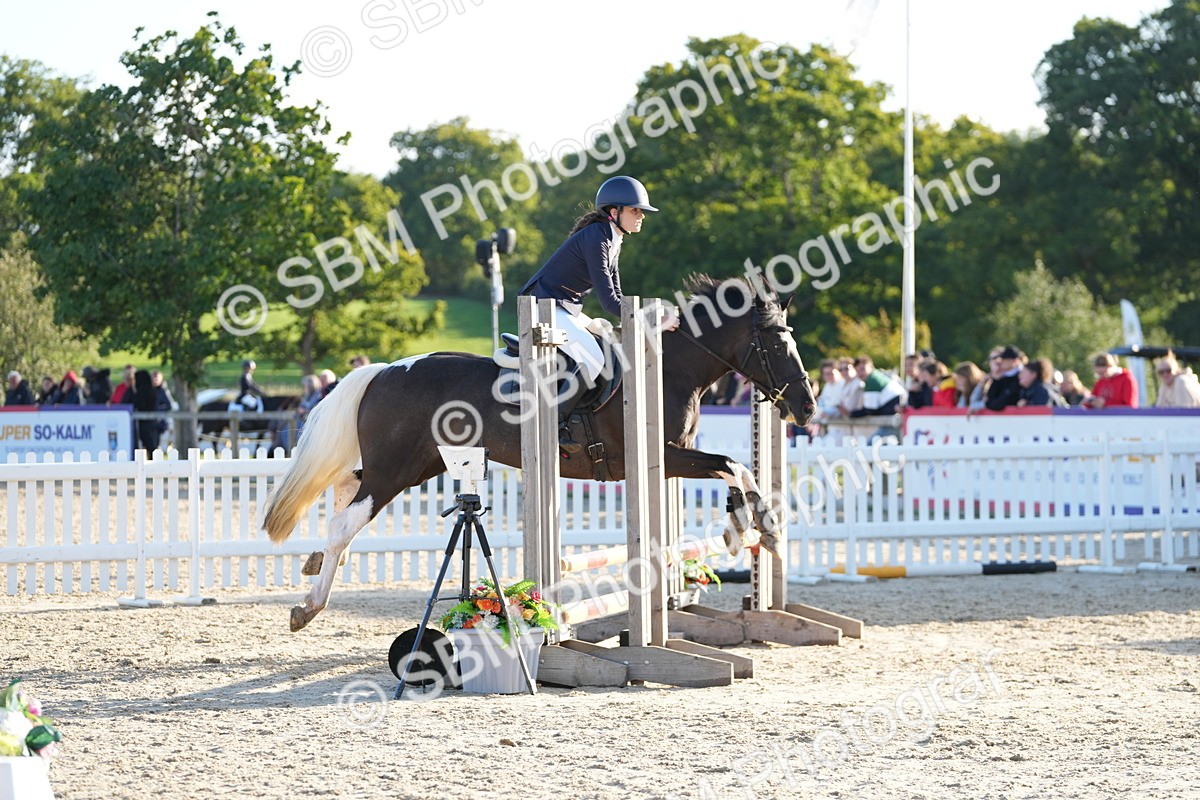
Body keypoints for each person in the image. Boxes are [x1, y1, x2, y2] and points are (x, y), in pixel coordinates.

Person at [518, 175, 677, 453]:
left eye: (641, 211)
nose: (641, 216)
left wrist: (642, 317)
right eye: (635, 210)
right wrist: (650, 318)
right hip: (543, 307)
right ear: (614, 212)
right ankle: (554, 425)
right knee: (593, 360)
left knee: (607, 344)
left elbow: (619, 298)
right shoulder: (597, 238)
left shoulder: (612, 238)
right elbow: (609, 303)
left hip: (563, 306)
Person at [983, 345, 1024, 411]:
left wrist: (989, 402)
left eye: (1006, 359)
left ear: (1015, 361)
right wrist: (995, 380)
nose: (1002, 361)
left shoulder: (1020, 377)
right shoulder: (1002, 377)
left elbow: (999, 403)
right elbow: (989, 400)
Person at [132, 369, 160, 451]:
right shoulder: (151, 390)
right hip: (152, 422)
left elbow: (139, 404)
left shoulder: (142, 392)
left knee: (149, 445)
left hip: (146, 423)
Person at [151, 370, 176, 444]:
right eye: (153, 378)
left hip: (159, 421)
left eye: (157, 378)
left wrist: (158, 409)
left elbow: (169, 405)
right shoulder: (148, 391)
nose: (155, 380)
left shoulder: (163, 391)